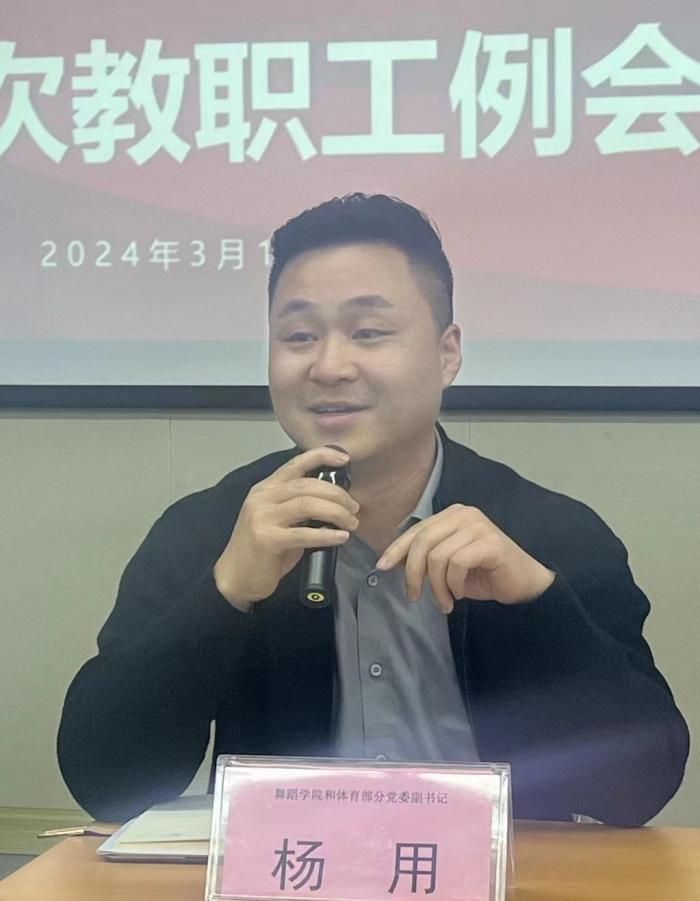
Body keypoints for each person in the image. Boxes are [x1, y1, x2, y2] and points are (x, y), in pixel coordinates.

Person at [58, 193, 689, 827]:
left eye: (369, 333)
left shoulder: (549, 535)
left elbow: (642, 787)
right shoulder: (211, 532)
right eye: (299, 337)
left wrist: (536, 605)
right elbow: (107, 784)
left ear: (447, 354)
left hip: (502, 873)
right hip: (292, 870)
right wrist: (224, 595)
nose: (329, 366)